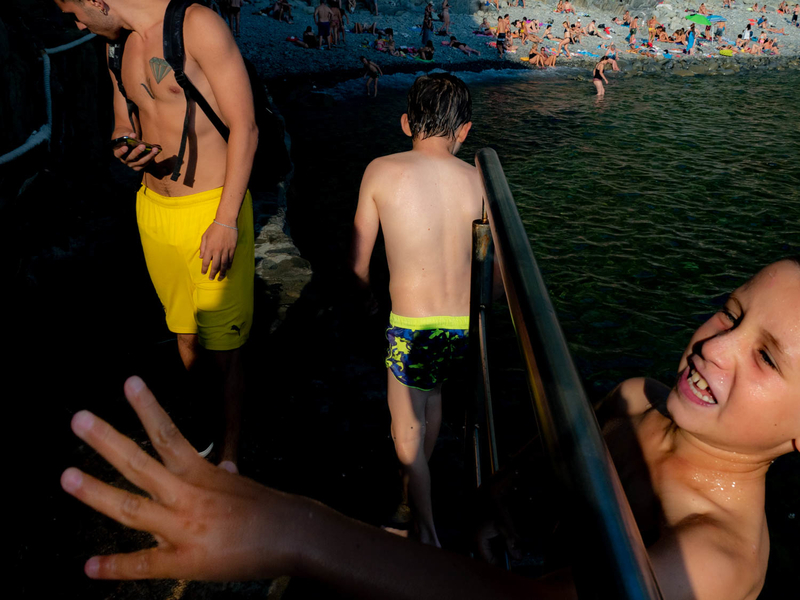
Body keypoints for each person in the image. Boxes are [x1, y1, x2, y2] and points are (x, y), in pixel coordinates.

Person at [60, 258, 800, 600]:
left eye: (766, 357)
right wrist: (494, 500)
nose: (715, 345)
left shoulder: (718, 558)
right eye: (730, 312)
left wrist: (299, 531)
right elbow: (542, 461)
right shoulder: (639, 396)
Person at [54, 0, 257, 471]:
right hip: (154, 211)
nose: (78, 24)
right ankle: (206, 437)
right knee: (185, 337)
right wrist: (125, 145)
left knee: (224, 349)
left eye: (76, 13)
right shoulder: (114, 46)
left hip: (211, 209)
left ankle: (230, 465)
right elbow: (123, 119)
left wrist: (226, 221)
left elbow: (245, 127)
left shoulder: (197, 26)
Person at [349, 74, 482, 547]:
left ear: (406, 122)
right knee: (432, 403)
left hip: (411, 328)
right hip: (458, 328)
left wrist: (365, 295)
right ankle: (417, 500)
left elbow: (358, 261)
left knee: (404, 431)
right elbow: (499, 267)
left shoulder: (381, 170)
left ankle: (424, 531)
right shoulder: (478, 178)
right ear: (464, 132)